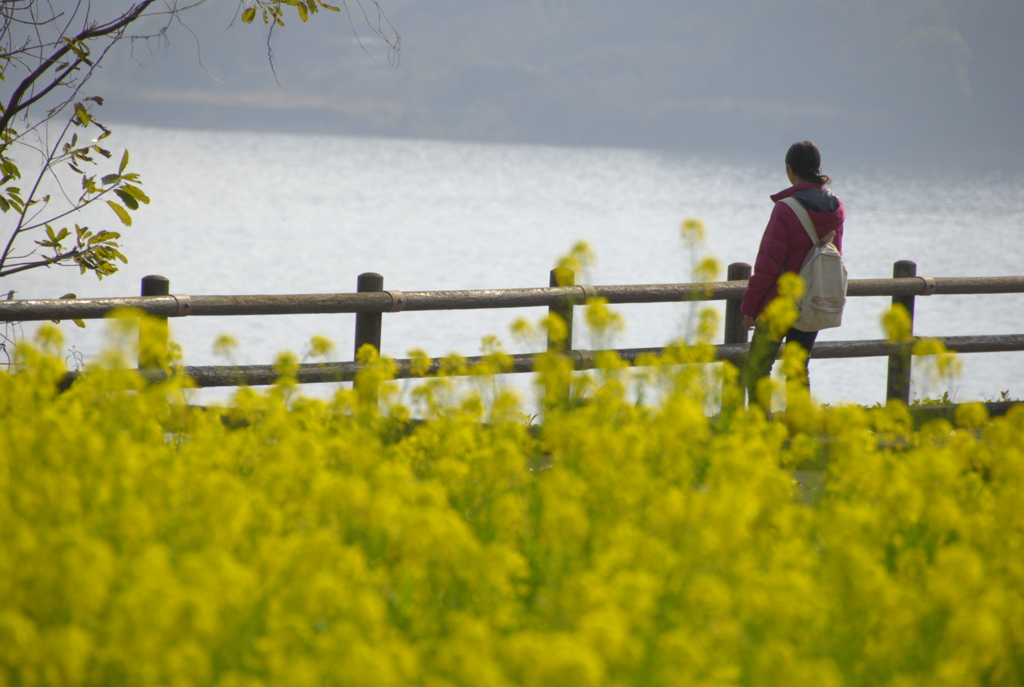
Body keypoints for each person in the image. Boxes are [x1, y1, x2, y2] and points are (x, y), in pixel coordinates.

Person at [740, 141, 846, 404]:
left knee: (758, 368)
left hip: (778, 303)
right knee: (798, 368)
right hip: (812, 300)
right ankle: (799, 430)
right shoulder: (836, 208)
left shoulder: (786, 209)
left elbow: (768, 264)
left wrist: (750, 307)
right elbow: (834, 255)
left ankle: (759, 430)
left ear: (790, 170)